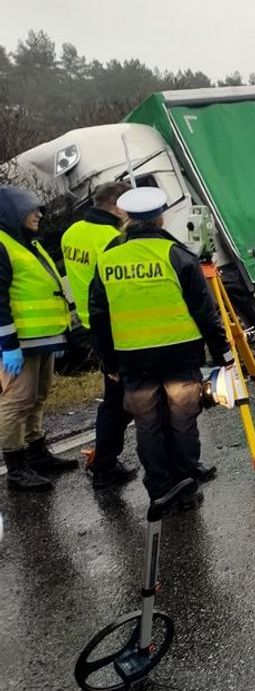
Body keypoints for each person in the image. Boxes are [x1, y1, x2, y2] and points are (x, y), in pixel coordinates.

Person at [88, 186, 233, 513]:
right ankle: (185, 486)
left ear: (127, 218)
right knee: (182, 422)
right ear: (159, 217)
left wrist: (106, 360)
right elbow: (204, 311)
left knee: (147, 425)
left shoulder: (108, 260)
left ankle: (159, 489)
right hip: (178, 355)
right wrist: (222, 352)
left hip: (132, 357)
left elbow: (99, 315)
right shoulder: (178, 256)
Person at [0, 184, 78, 491]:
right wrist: (8, 345)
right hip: (18, 343)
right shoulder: (4, 246)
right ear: (11, 213)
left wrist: (59, 332)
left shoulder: (28, 243)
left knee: (38, 396)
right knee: (16, 401)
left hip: (42, 339)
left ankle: (36, 451)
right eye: (31, 210)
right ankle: (16, 468)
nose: (39, 215)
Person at [61, 181, 137, 489]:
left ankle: (105, 461)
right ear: (118, 206)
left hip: (93, 324)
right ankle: (105, 465)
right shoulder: (113, 238)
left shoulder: (71, 233)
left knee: (116, 399)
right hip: (117, 324)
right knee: (123, 400)